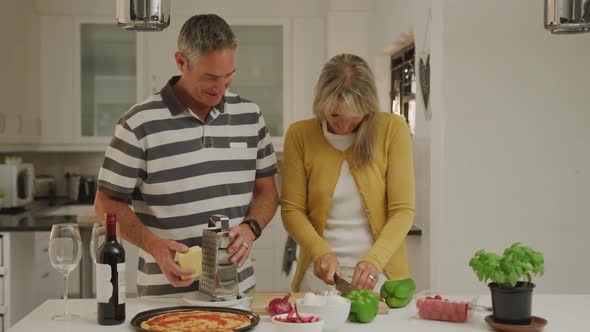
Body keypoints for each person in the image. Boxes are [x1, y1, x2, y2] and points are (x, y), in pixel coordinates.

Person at [94, 14, 279, 297]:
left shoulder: (250, 116)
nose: (221, 88)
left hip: (237, 293)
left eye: (229, 75)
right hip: (165, 296)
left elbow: (267, 192)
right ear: (181, 62)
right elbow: (106, 203)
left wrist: (251, 227)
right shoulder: (138, 124)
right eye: (210, 77)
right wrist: (154, 246)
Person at [281, 53, 415, 293]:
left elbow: (403, 211)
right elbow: (292, 211)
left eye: (353, 118)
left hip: (382, 278)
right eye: (334, 115)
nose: (342, 126)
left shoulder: (392, 130)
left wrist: (375, 260)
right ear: (320, 102)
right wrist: (320, 251)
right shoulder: (299, 135)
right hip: (319, 279)